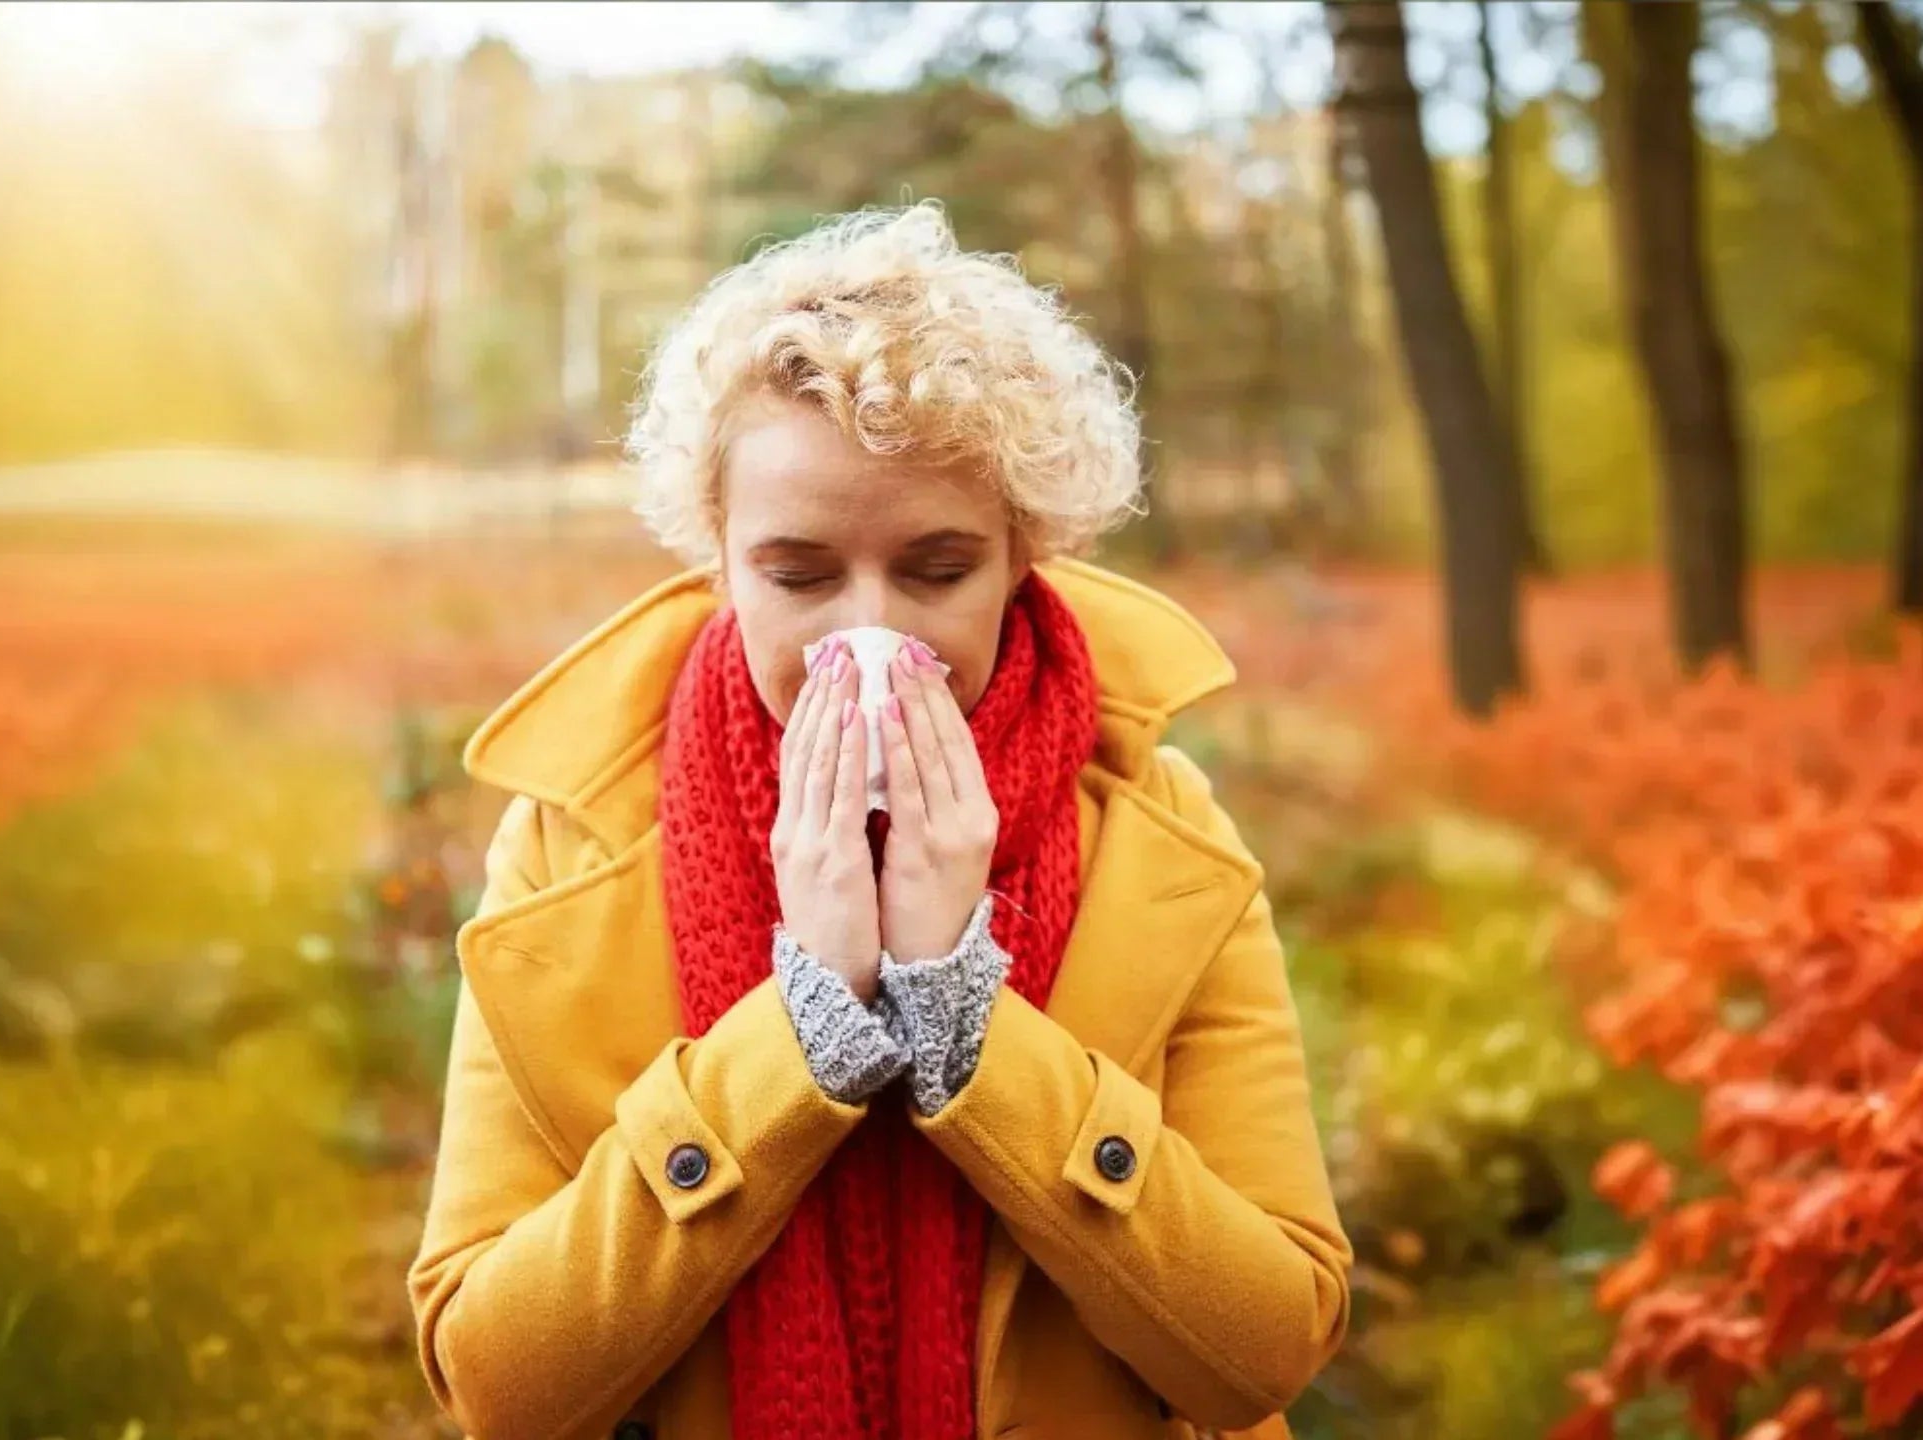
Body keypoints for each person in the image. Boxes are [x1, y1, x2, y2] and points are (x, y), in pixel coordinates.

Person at [408, 201, 1352, 1440]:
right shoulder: (571, 839)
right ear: (717, 561)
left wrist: (965, 1021)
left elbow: (1265, 1349)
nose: (869, 634)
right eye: (798, 576)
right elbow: (493, 1383)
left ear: (1023, 553)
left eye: (937, 570)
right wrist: (798, 1036)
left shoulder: (1158, 832)